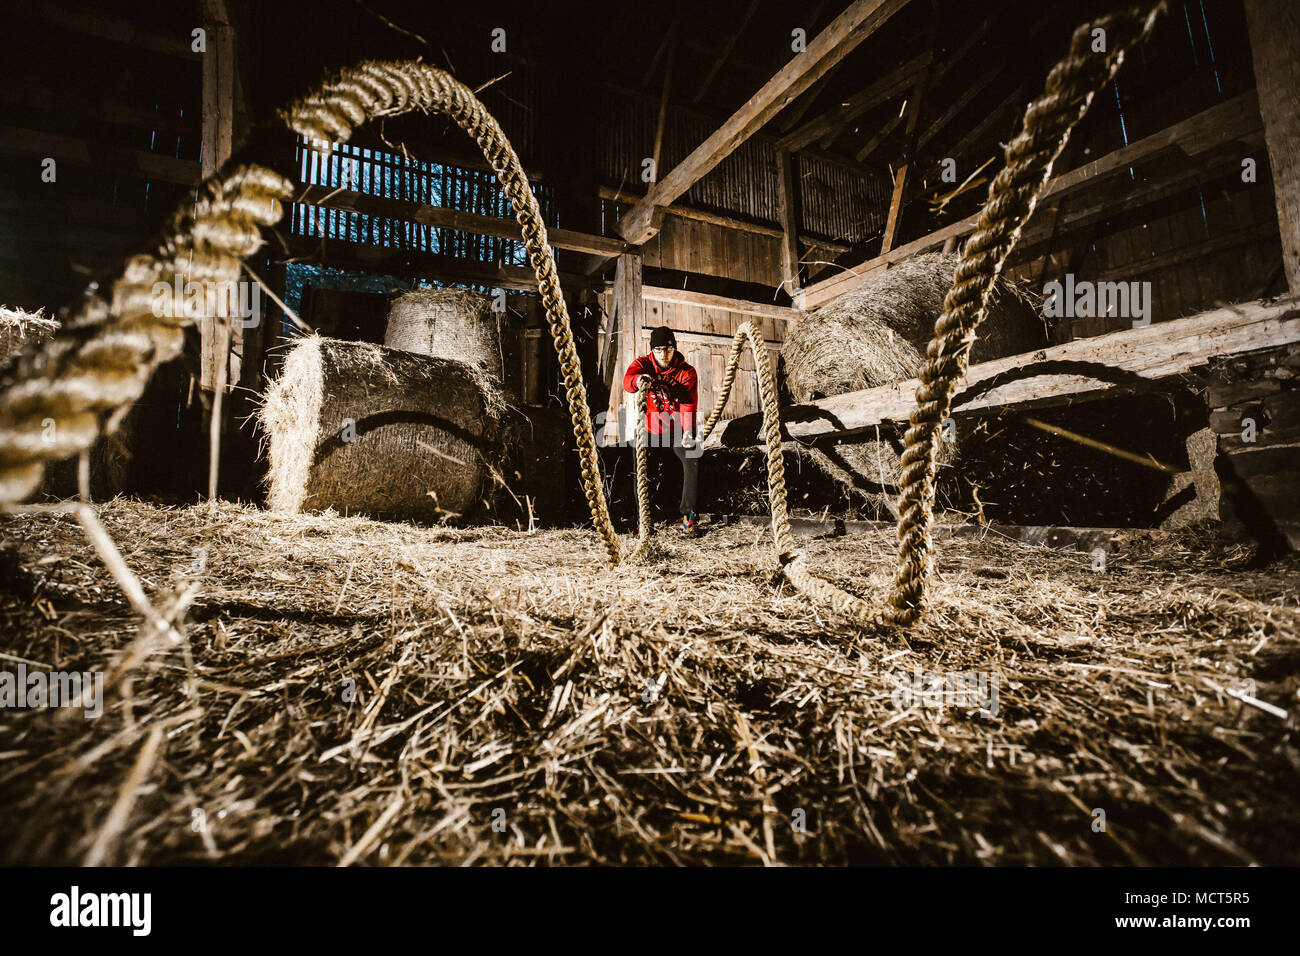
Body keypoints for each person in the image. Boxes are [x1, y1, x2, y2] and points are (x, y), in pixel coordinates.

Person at [623, 326, 700, 535]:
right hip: (650, 428)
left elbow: (688, 404)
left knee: (692, 458)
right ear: (652, 350)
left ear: (674, 348)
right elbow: (627, 382)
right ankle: (643, 518)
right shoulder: (643, 364)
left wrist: (688, 432)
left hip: (677, 428)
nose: (663, 354)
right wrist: (638, 380)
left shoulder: (686, 371)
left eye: (667, 349)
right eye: (658, 350)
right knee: (640, 467)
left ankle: (688, 516)